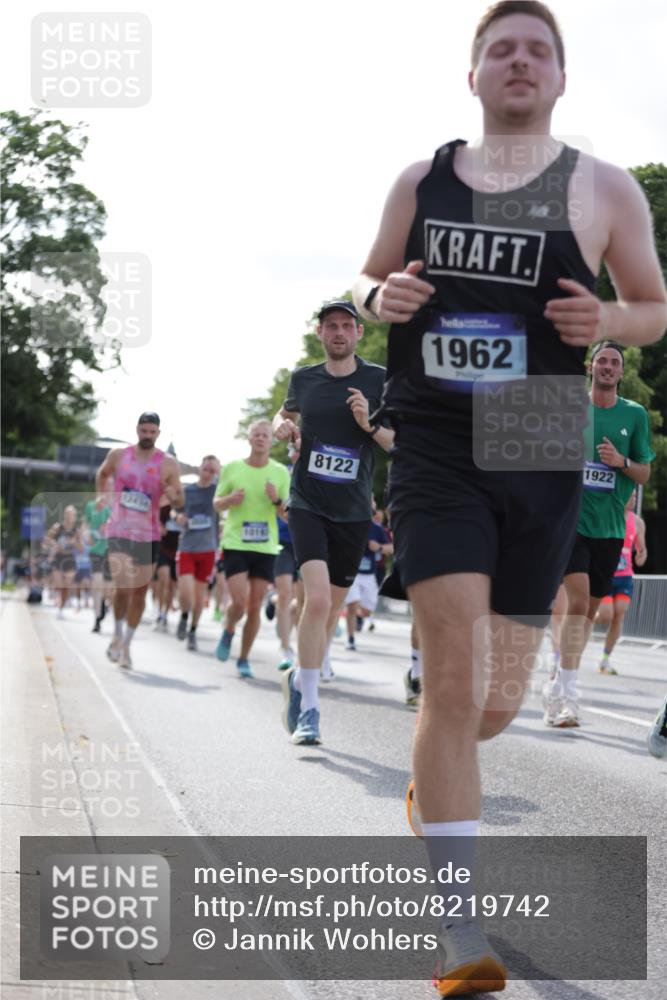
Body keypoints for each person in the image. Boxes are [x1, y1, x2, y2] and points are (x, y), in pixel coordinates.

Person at [351, 1, 667, 992]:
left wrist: (605, 316)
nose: (519, 61)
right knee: (451, 685)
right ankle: (458, 930)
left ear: (560, 78)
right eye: (501, 49)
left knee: (491, 706)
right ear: (474, 76)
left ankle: (430, 789)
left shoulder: (604, 188)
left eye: (537, 50)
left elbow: (652, 308)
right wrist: (379, 300)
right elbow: (365, 281)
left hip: (538, 436)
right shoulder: (422, 180)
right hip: (437, 437)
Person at [273, 300, 394, 745]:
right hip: (307, 503)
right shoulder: (304, 378)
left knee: (330, 611)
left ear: (359, 332)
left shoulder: (379, 380)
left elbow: (397, 443)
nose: (338, 332)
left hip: (354, 511)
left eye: (346, 325)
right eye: (331, 326)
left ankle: (297, 679)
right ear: (320, 333)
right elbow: (284, 414)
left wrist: (368, 423)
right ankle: (310, 709)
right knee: (318, 601)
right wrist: (282, 426)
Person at [543, 342, 654, 725]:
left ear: (620, 372)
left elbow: (644, 473)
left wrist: (620, 461)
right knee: (576, 604)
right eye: (602, 361)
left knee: (588, 613)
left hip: (610, 529)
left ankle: (558, 682)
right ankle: (570, 697)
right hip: (571, 523)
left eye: (614, 363)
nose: (607, 367)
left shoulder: (634, 415)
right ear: (590, 367)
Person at [96, 412, 184, 669]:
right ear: (137, 430)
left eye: (152, 432)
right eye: (144, 431)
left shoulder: (168, 463)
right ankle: (117, 633)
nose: (147, 436)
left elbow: (179, 500)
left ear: (158, 433)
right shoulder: (118, 455)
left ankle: (127, 644)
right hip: (119, 529)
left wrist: (173, 496)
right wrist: (101, 497)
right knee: (123, 587)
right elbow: (102, 474)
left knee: (139, 593)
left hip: (149, 534)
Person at [213, 421, 290, 677]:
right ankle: (229, 628)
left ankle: (244, 659)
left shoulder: (280, 472)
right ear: (249, 439)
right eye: (256, 434)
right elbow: (216, 504)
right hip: (236, 542)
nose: (260, 438)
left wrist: (275, 499)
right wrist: (229, 500)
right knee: (238, 601)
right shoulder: (233, 468)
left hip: (265, 546)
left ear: (271, 441)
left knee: (255, 606)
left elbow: (287, 514)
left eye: (265, 435)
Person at [595, 491, 647, 675]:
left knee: (619, 613)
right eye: (629, 496)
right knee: (606, 615)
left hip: (625, 576)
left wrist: (641, 556)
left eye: (635, 497)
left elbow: (641, 549)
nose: (633, 500)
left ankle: (605, 660)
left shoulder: (638, 522)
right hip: (606, 574)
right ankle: (590, 616)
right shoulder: (608, 515)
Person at [174, 455, 220, 651]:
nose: (208, 473)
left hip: (208, 548)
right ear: (199, 468)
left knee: (199, 597)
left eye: (212, 470)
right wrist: (178, 517)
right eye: (206, 469)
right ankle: (184, 616)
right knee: (185, 593)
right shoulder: (188, 490)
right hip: (187, 546)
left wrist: (220, 472)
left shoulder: (218, 490)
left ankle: (193, 631)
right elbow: (175, 510)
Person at [344, 509, 393, 651]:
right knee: (353, 604)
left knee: (367, 611)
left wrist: (379, 547)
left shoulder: (377, 529)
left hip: (369, 575)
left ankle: (351, 612)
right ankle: (350, 638)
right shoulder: (350, 524)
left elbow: (392, 548)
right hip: (352, 573)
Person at [45, 505, 82, 618]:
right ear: (64, 515)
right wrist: (55, 544)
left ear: (74, 517)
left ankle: (61, 609)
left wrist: (74, 543)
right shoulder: (58, 527)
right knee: (59, 584)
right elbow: (47, 539)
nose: (69, 517)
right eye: (67, 514)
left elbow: (81, 548)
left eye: (72, 515)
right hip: (58, 558)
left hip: (70, 559)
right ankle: (57, 598)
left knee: (66, 586)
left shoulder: (76, 531)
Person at [83, 494, 112, 633]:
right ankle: (97, 620)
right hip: (95, 550)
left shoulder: (115, 506)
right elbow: (85, 524)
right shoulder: (90, 506)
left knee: (108, 589)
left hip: (111, 551)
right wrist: (87, 535)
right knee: (97, 583)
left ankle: (103, 604)